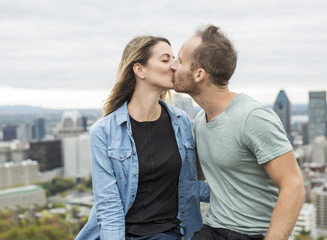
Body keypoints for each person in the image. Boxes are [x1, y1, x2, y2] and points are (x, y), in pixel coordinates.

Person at [171, 25, 305, 240]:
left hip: (255, 234)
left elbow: (294, 185)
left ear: (198, 74)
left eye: (179, 60)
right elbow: (194, 177)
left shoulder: (252, 117)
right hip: (215, 228)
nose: (172, 65)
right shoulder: (199, 121)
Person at [75, 35, 210, 240]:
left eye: (174, 59)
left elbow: (191, 185)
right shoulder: (104, 131)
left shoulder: (181, 122)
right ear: (140, 70)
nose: (175, 66)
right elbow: (108, 207)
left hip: (167, 234)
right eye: (165, 60)